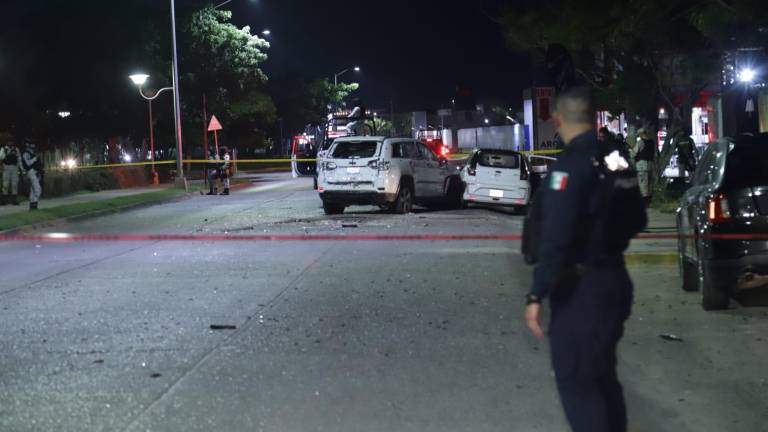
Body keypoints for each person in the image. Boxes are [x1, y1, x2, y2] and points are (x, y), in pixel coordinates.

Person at [523, 87, 647, 432]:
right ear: (595, 119)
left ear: (558, 120)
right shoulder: (617, 158)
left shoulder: (568, 167)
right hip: (614, 282)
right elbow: (639, 218)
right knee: (603, 376)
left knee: (579, 383)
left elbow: (556, 239)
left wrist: (536, 294)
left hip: (582, 289)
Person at [633, 128, 656, 206]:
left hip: (642, 166)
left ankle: (644, 203)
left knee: (643, 184)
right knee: (650, 184)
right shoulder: (651, 142)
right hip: (651, 165)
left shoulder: (640, 142)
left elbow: (633, 153)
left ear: (641, 134)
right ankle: (649, 201)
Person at [20, 140, 43, 210]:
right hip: (30, 172)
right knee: (38, 189)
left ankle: (33, 206)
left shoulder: (33, 153)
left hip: (35, 172)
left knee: (33, 190)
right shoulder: (25, 154)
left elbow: (38, 164)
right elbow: (28, 164)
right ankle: (34, 203)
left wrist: (39, 172)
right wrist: (35, 158)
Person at [0, 139, 21, 205]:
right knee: (5, 184)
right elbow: (1, 157)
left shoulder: (16, 149)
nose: (10, 143)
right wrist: (8, 153)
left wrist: (21, 168)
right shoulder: (3, 149)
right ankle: (4, 200)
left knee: (14, 184)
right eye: (9, 142)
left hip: (14, 167)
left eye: (11, 142)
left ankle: (14, 200)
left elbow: (19, 159)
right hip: (6, 167)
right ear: (7, 142)